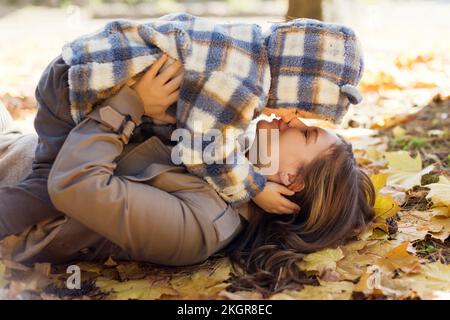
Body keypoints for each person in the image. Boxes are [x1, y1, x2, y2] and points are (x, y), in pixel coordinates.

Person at [0, 57, 375, 293]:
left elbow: (75, 185)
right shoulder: (234, 168)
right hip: (19, 143)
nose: (290, 119)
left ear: (293, 180)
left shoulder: (201, 227)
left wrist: (129, 105)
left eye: (306, 132)